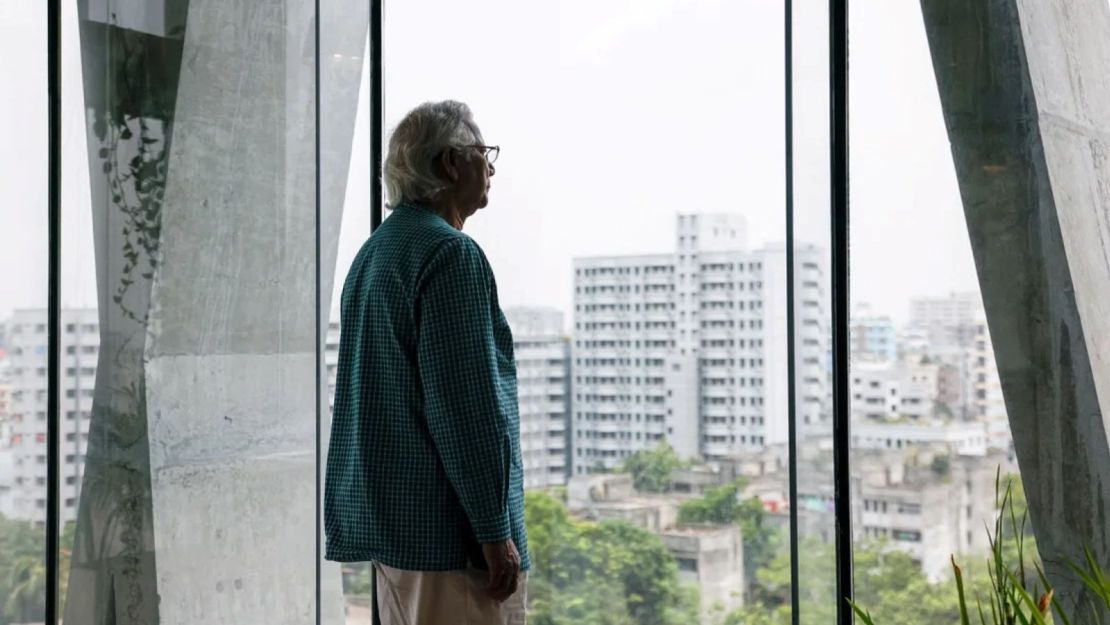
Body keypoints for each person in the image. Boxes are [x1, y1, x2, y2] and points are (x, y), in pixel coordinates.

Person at [324, 100, 529, 625]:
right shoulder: (450, 255)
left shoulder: (376, 254)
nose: (491, 169)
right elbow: (466, 410)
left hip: (395, 532)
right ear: (449, 164)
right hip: (449, 544)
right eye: (484, 154)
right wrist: (494, 531)